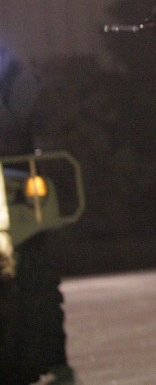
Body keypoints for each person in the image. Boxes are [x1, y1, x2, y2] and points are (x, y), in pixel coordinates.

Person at [0, 46, 77, 385]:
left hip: (14, 178)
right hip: (15, 177)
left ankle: (50, 355)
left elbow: (34, 108)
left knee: (36, 275)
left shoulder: (12, 70)